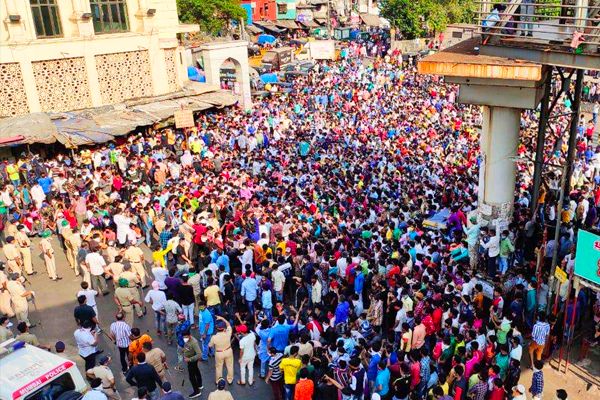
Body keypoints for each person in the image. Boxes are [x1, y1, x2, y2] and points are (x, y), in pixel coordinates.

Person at [209, 316, 234, 385]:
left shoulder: (214, 337)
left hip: (219, 353)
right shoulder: (228, 333)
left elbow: (210, 345)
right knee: (230, 366)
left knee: (219, 367)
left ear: (217, 328)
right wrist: (222, 318)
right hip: (228, 351)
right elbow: (228, 324)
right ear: (224, 329)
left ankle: (218, 381)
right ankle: (230, 380)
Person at [181, 329, 203, 398]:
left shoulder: (194, 342)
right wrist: (184, 351)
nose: (185, 339)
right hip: (190, 359)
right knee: (196, 370)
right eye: (184, 337)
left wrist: (189, 359)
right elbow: (187, 347)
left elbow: (199, 354)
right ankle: (199, 385)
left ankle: (197, 391)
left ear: (190, 336)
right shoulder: (187, 340)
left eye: (186, 337)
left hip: (192, 361)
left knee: (191, 377)